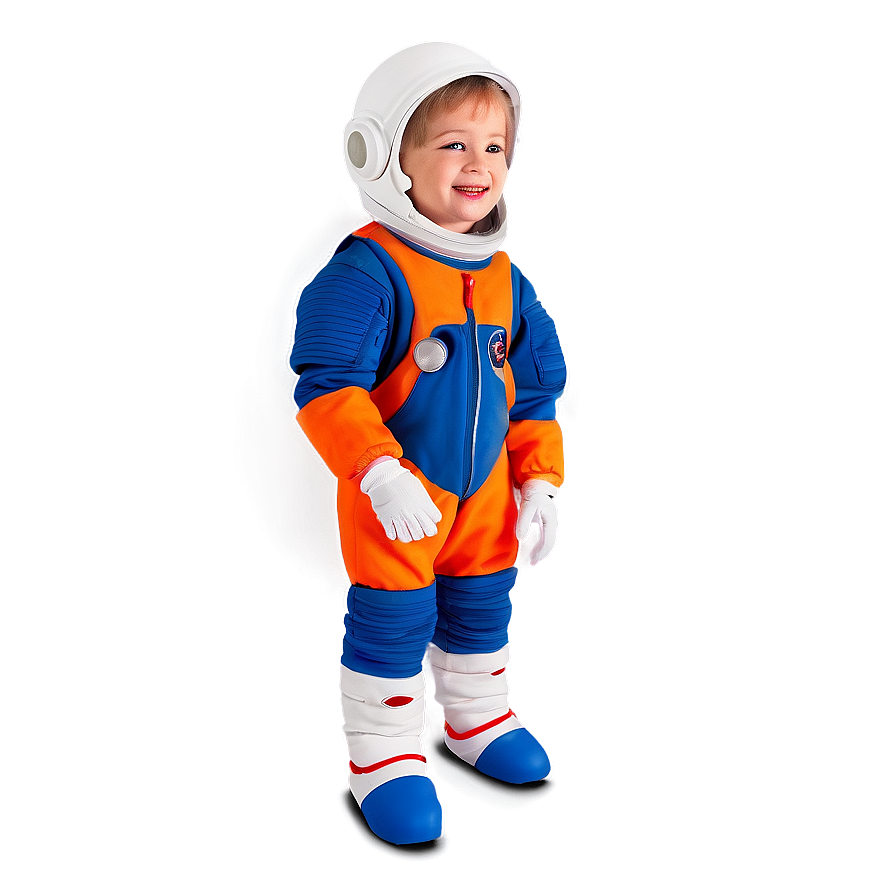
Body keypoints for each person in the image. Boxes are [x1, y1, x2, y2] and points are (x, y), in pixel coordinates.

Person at [289, 40, 567, 846]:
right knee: (392, 619)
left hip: (484, 496)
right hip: (397, 494)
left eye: (495, 147)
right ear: (382, 157)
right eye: (453, 144)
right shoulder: (367, 271)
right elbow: (326, 384)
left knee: (484, 607)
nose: (478, 164)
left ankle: (478, 720)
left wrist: (540, 482)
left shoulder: (509, 279)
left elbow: (537, 394)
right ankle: (380, 755)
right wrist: (377, 471)